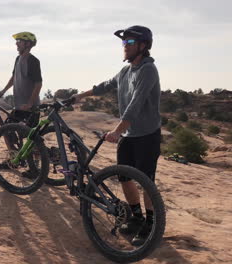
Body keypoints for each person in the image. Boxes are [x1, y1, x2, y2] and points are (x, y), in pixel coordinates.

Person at [72, 25, 161, 246]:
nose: (124, 47)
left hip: (146, 134)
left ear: (142, 46)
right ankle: (136, 217)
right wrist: (79, 96)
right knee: (124, 177)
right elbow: (105, 86)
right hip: (129, 134)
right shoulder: (125, 71)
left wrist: (116, 131)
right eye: (124, 43)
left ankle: (150, 224)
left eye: (129, 43)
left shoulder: (148, 70)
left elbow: (135, 105)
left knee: (146, 180)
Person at [0, 31, 42, 127]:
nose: (16, 43)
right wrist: (3, 91)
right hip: (19, 107)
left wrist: (30, 103)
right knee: (6, 132)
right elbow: (14, 77)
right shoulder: (18, 59)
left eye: (19, 41)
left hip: (30, 109)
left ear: (27, 44)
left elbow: (38, 84)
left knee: (29, 138)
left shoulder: (33, 61)